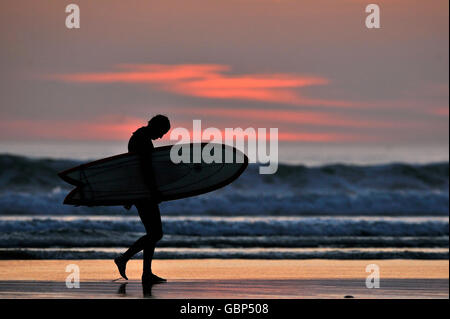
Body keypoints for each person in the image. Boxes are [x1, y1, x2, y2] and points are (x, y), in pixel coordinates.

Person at [114, 114, 170, 284]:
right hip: (144, 193)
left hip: (141, 192)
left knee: (152, 233)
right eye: (161, 132)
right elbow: (144, 170)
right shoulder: (142, 140)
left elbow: (134, 169)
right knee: (156, 233)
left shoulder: (139, 137)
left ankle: (146, 273)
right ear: (155, 126)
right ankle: (124, 258)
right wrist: (153, 191)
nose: (161, 137)